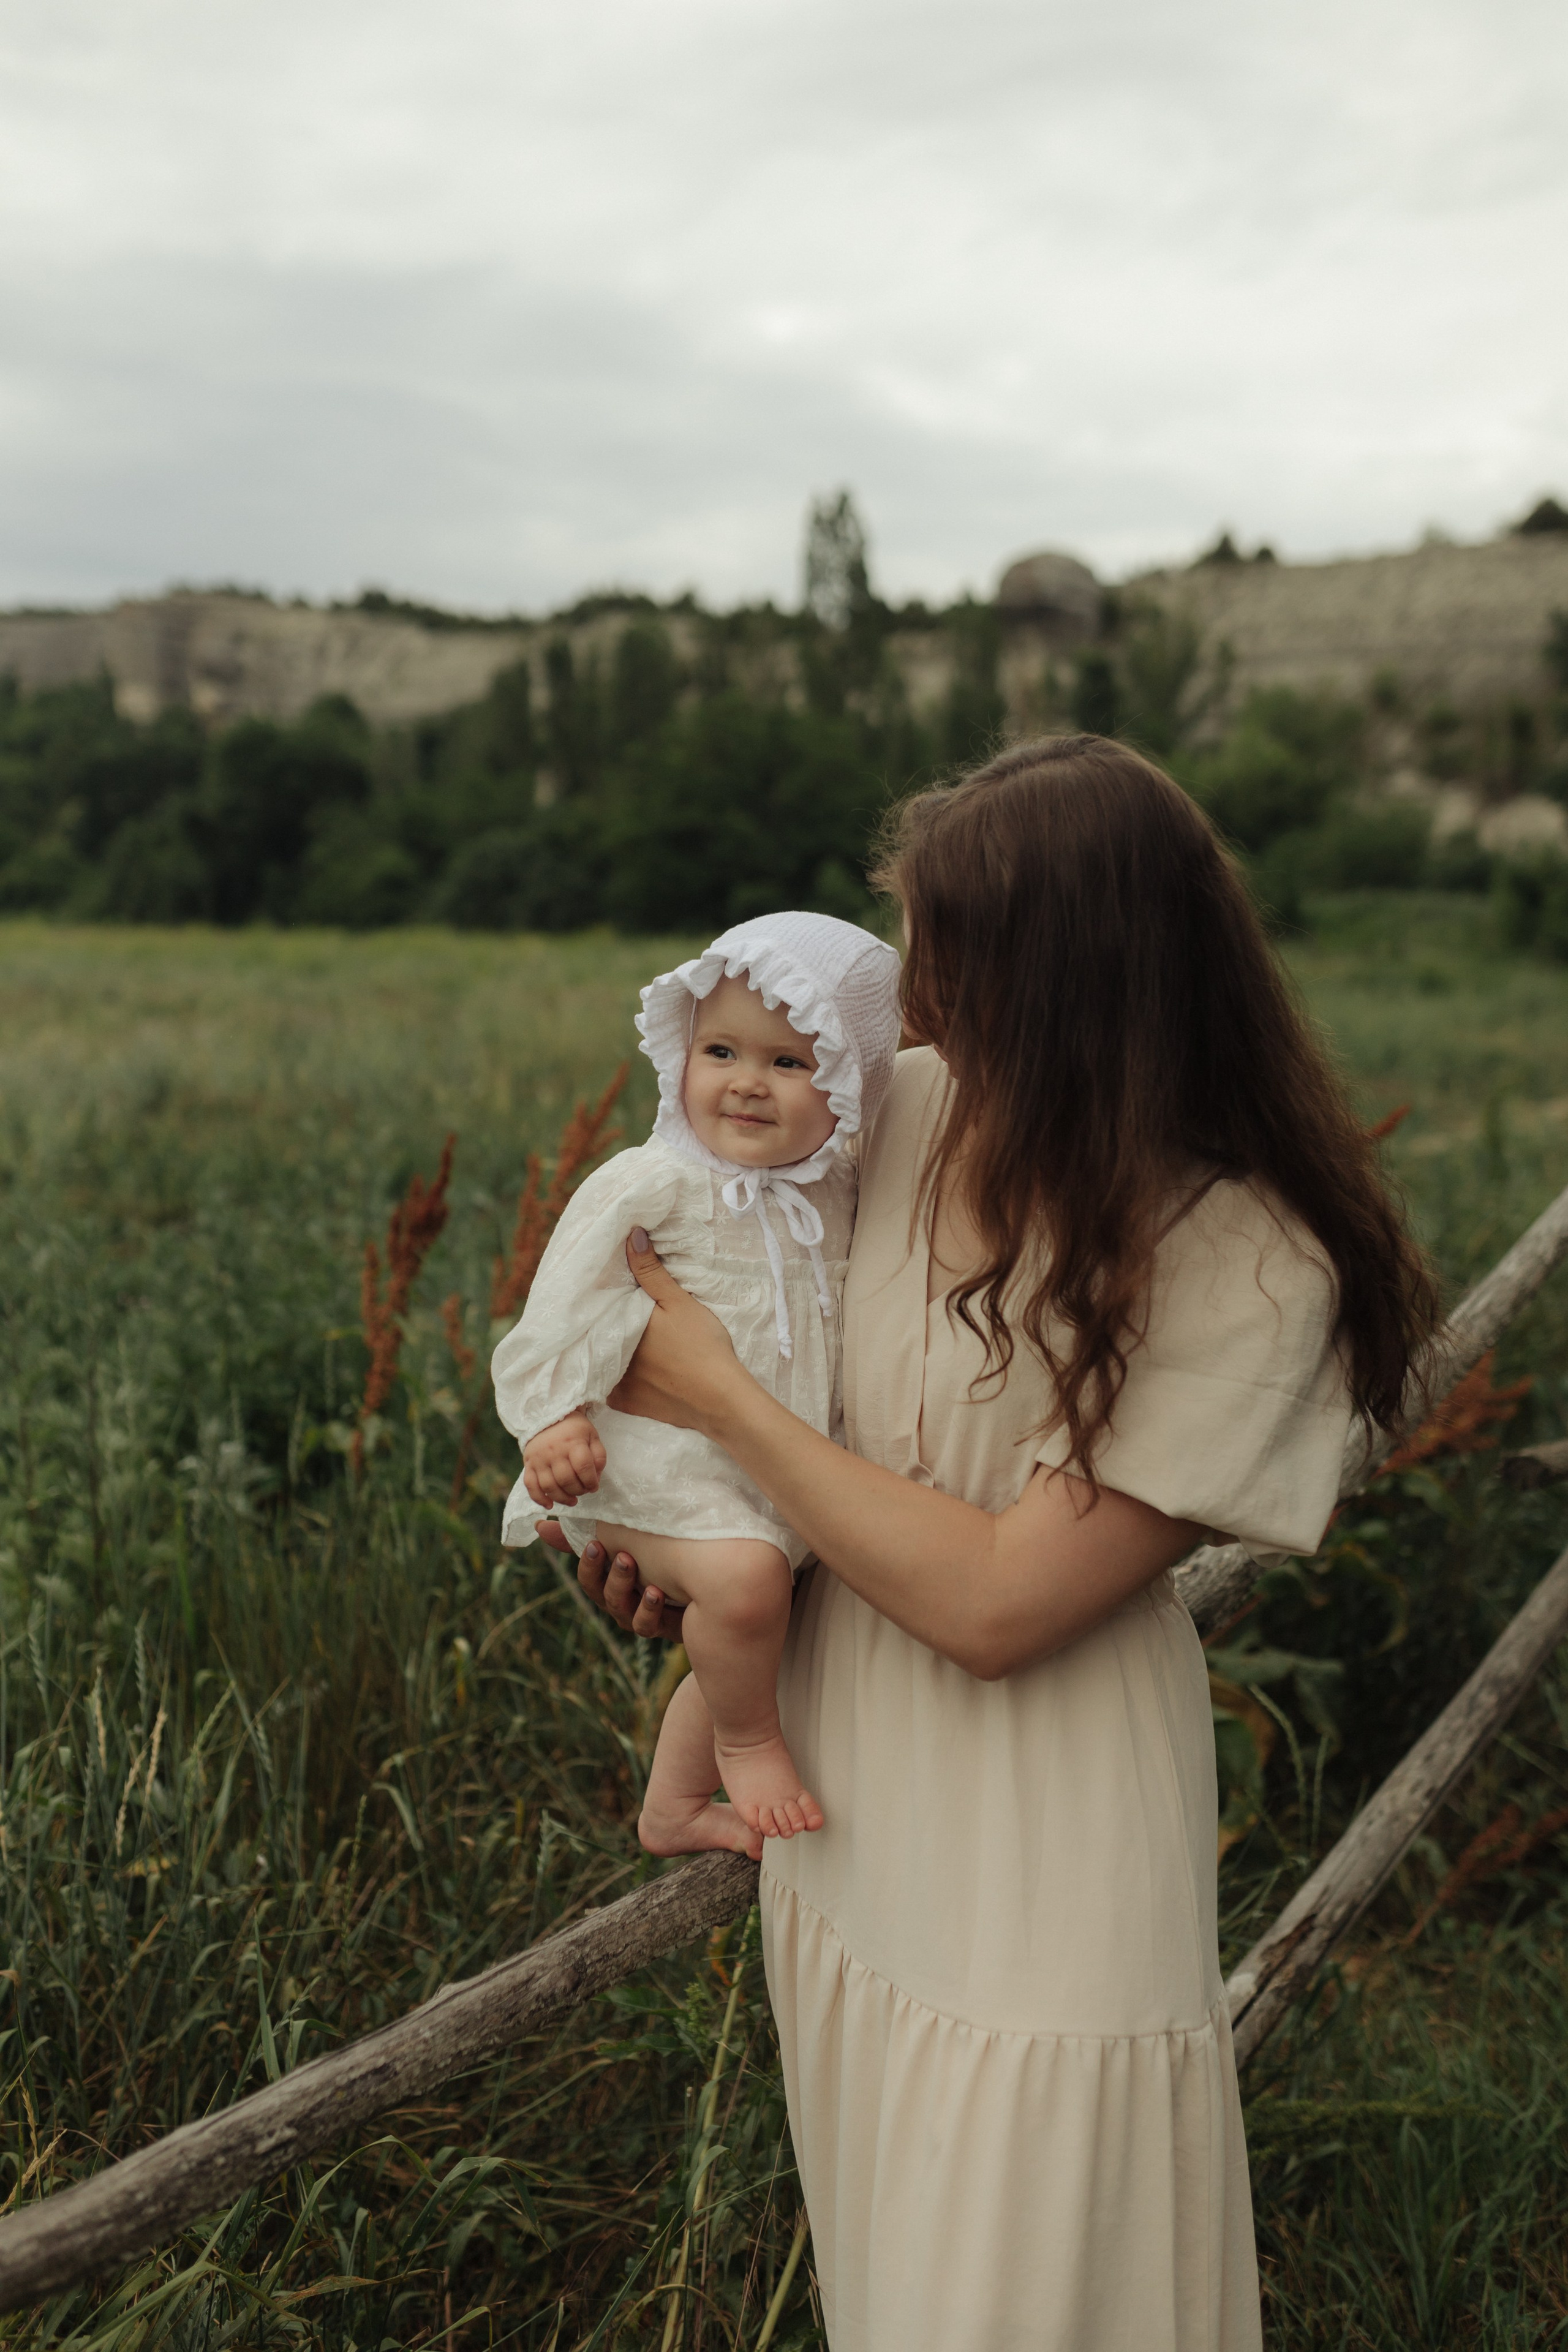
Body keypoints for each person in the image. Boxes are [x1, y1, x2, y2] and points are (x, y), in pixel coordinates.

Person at [559, 736, 1439, 2352]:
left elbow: (995, 1601)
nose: (912, 986)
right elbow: (686, 1312)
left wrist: (732, 1417)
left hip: (1040, 1849)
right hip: (844, 1828)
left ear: (1066, 979)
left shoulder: (1247, 1258)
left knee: (1029, 2293)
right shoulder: (880, 1111)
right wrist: (657, 1531)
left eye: (948, 947)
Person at [494, 909, 902, 1850]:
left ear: (846, 1084)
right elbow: (561, 1305)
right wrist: (550, 1421)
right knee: (750, 1584)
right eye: (720, 1051)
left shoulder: (837, 1189)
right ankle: (749, 1740)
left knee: (761, 1611)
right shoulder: (652, 1182)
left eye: (790, 1064)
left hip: (765, 1470)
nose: (748, 1084)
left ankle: (673, 1807)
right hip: (645, 1461)